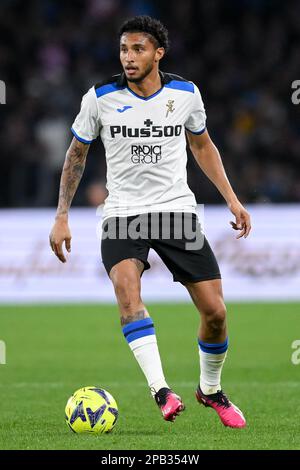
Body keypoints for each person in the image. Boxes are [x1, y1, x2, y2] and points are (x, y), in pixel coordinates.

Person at [50, 15, 251, 427]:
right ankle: (161, 390)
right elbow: (76, 156)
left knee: (215, 313)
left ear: (158, 53)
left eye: (138, 49)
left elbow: (203, 145)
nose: (128, 57)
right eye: (124, 49)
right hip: (123, 214)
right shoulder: (100, 97)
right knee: (128, 296)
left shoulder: (186, 94)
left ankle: (209, 390)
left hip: (176, 211)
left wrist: (232, 200)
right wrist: (62, 216)